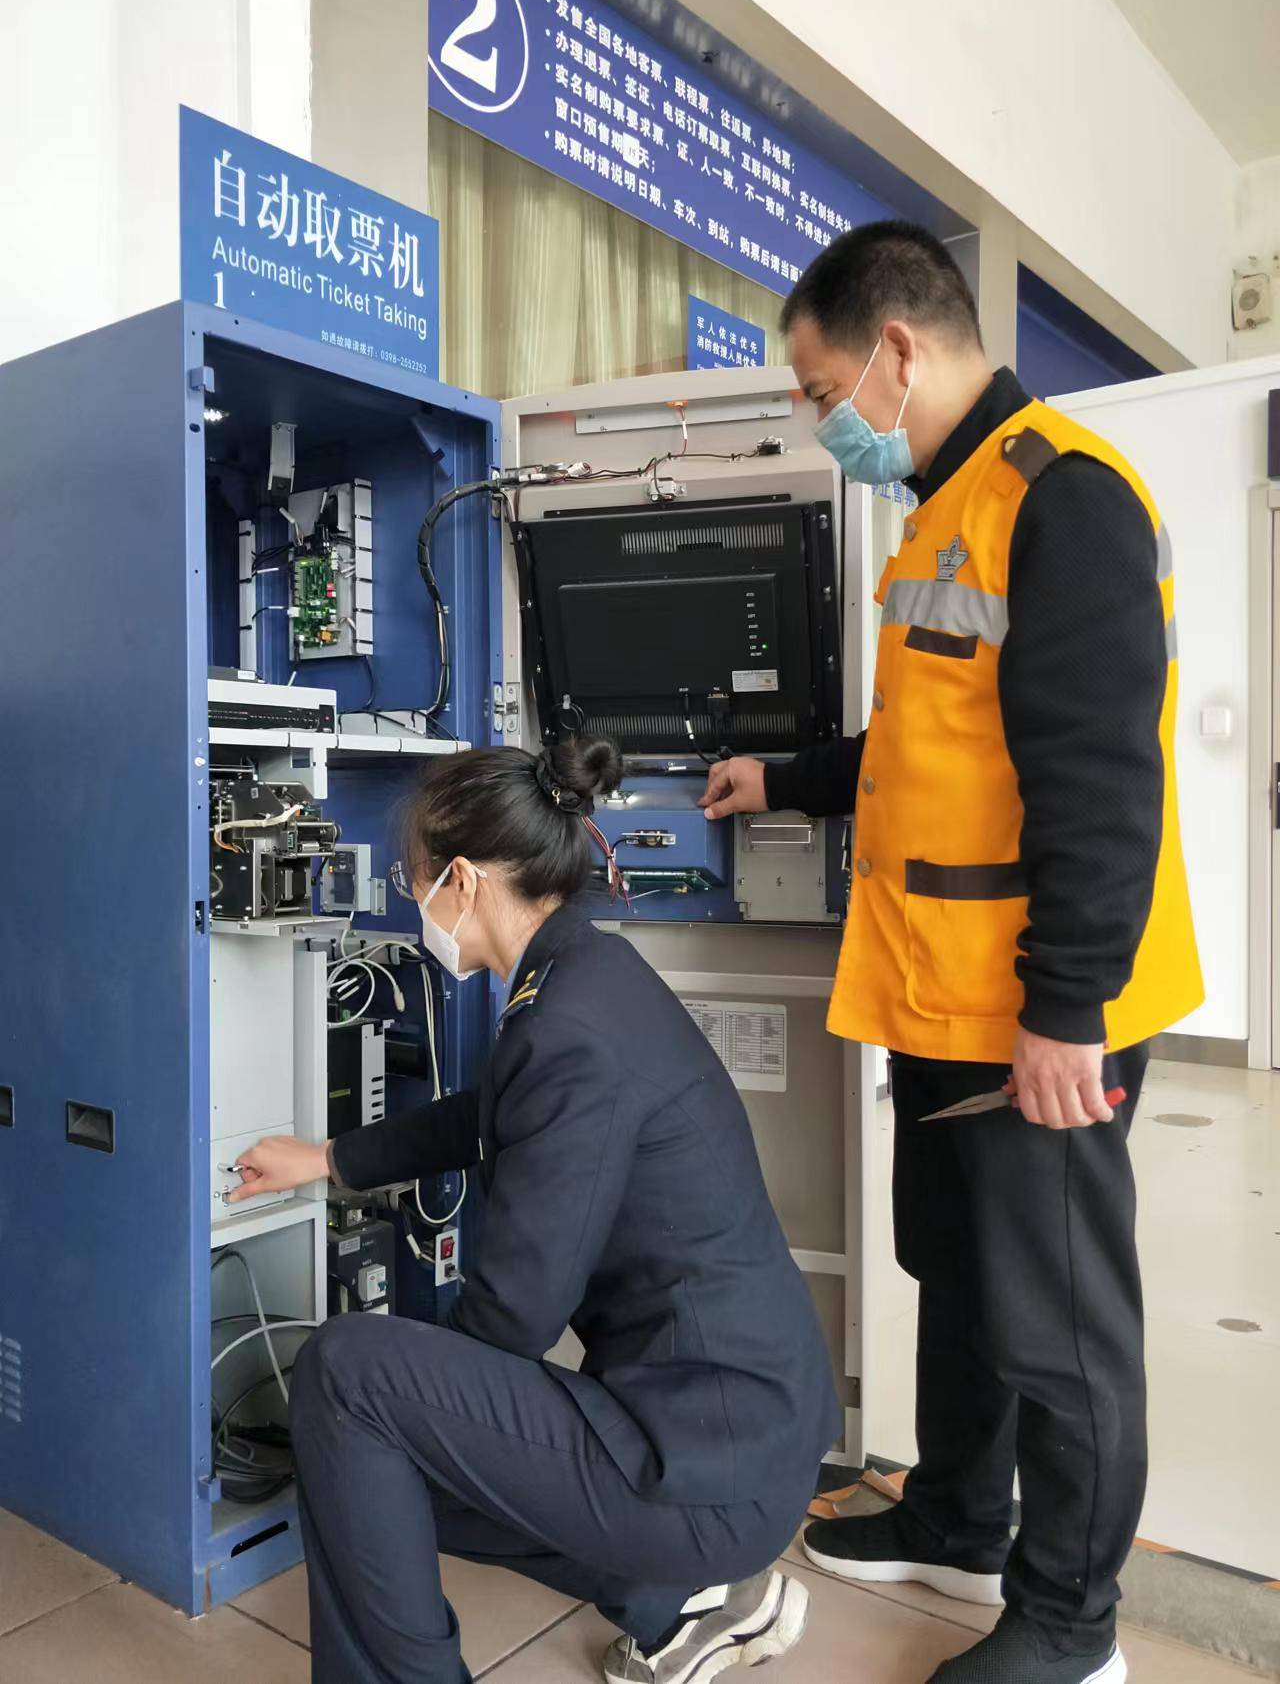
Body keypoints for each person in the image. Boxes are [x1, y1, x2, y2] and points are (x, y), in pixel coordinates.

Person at [700, 221, 1202, 1684]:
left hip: (1034, 1012)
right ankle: (958, 1516)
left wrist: (1067, 1009)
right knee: (961, 1277)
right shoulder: (943, 506)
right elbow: (927, 742)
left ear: (897, 350)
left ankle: (1070, 1627)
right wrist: (787, 777)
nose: (821, 420)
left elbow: (1101, 786)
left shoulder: (1064, 499)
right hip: (939, 998)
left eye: (820, 390)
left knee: (1060, 1321)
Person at [230, 736, 839, 1684]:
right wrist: (330, 1160)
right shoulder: (586, 974)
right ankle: (677, 1602)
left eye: (415, 878)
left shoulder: (568, 1030)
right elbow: (494, 1114)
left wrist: (415, 1397)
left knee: (347, 1382)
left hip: (706, 1464)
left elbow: (513, 1318)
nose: (410, 898)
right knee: (376, 1459)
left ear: (464, 881)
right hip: (737, 1427)